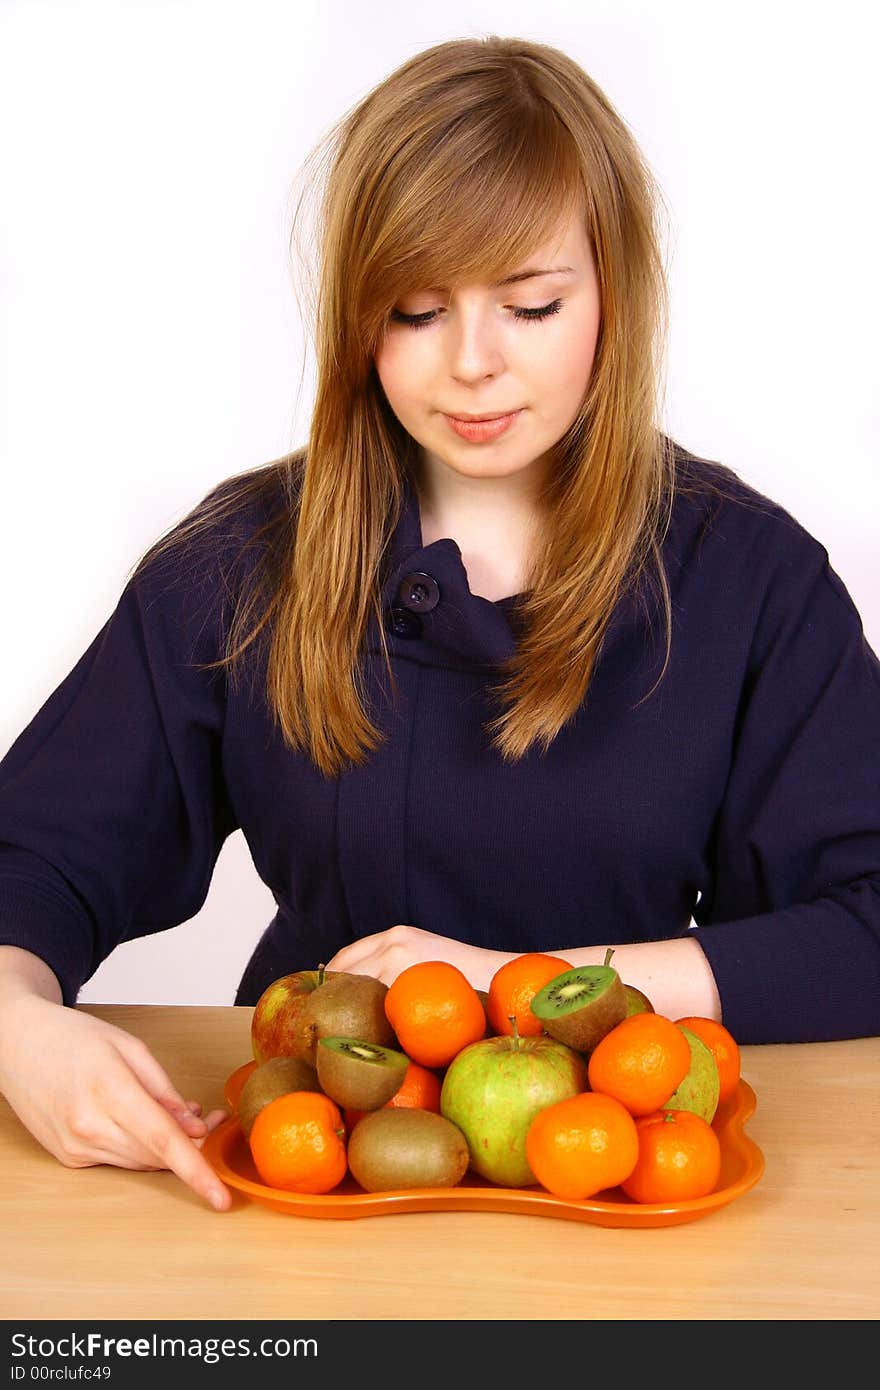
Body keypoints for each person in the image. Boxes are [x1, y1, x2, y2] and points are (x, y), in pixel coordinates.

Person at [1, 35, 878, 1215]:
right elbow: (37, 859)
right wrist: (17, 1028)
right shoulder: (236, 564)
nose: (473, 364)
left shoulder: (749, 577)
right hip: (317, 1172)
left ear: (612, 288)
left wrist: (518, 988)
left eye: (530, 303)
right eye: (416, 311)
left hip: (633, 1185)